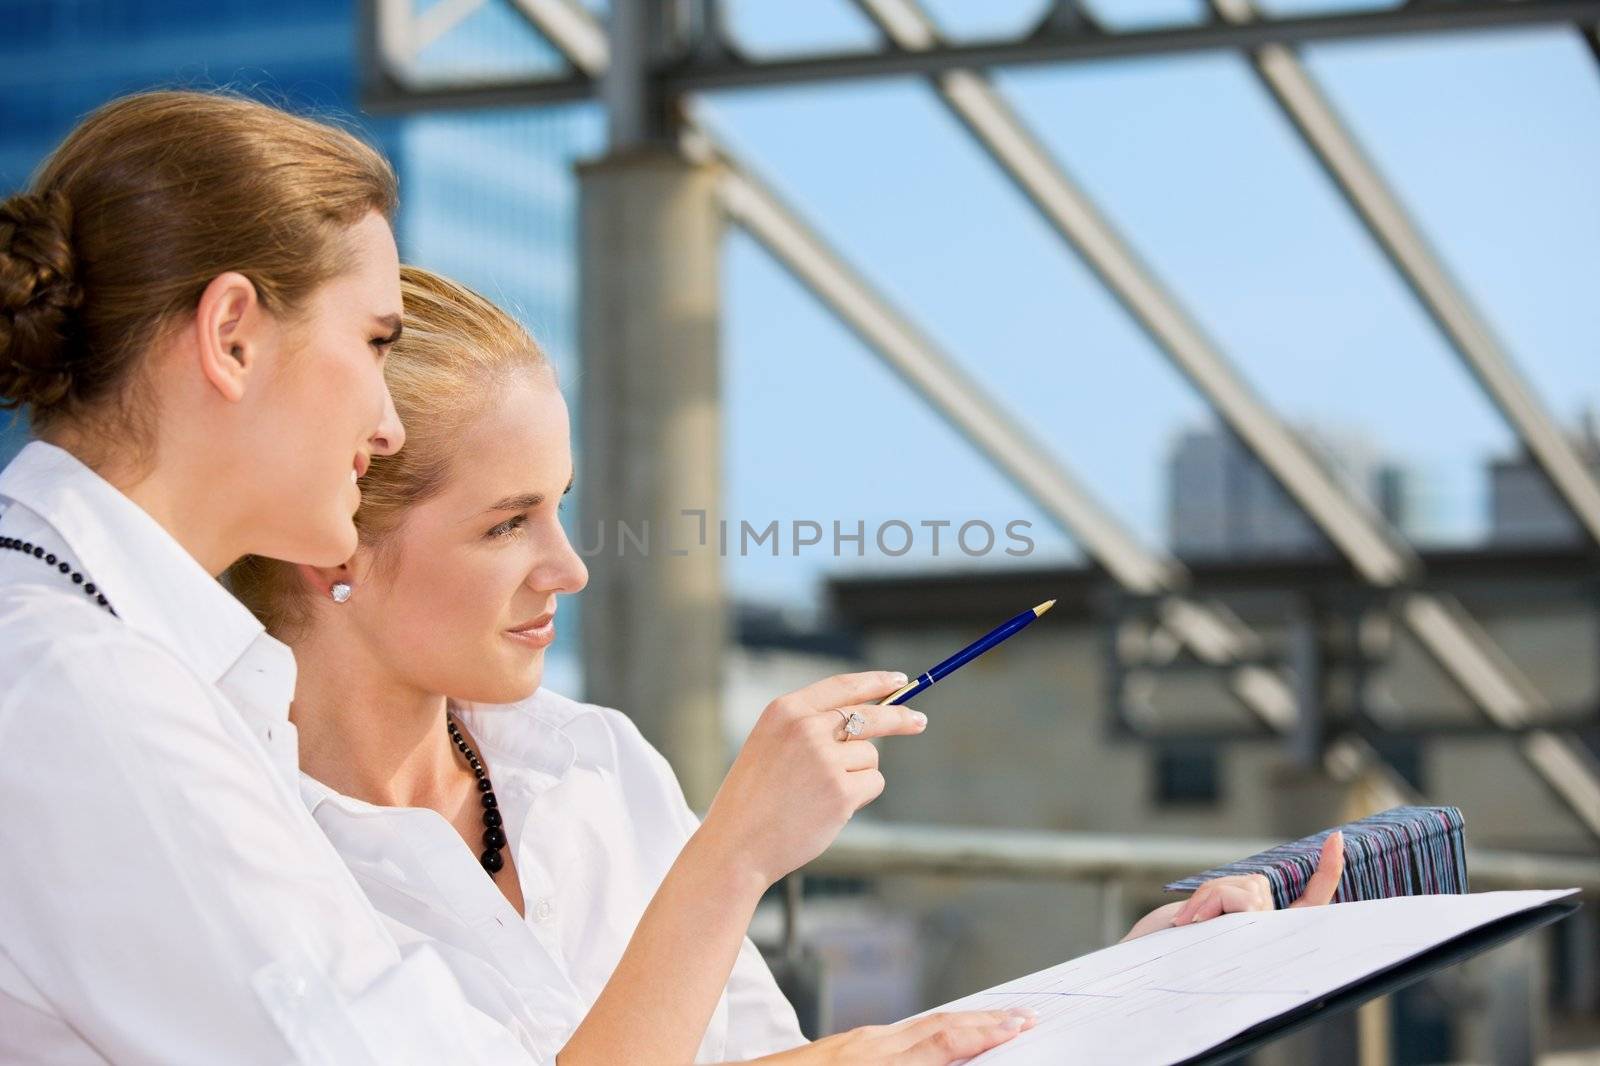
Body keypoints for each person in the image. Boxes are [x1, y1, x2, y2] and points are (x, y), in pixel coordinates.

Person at [0, 88, 1030, 1066]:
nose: (384, 419)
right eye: (372, 342)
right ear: (231, 337)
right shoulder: (88, 695)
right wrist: (732, 859)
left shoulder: (121, 666)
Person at [230, 265, 1345, 1063]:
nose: (567, 568)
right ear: (337, 537)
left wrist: (1121, 990)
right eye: (505, 524)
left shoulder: (592, 766)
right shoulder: (239, 841)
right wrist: (733, 855)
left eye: (559, 510)